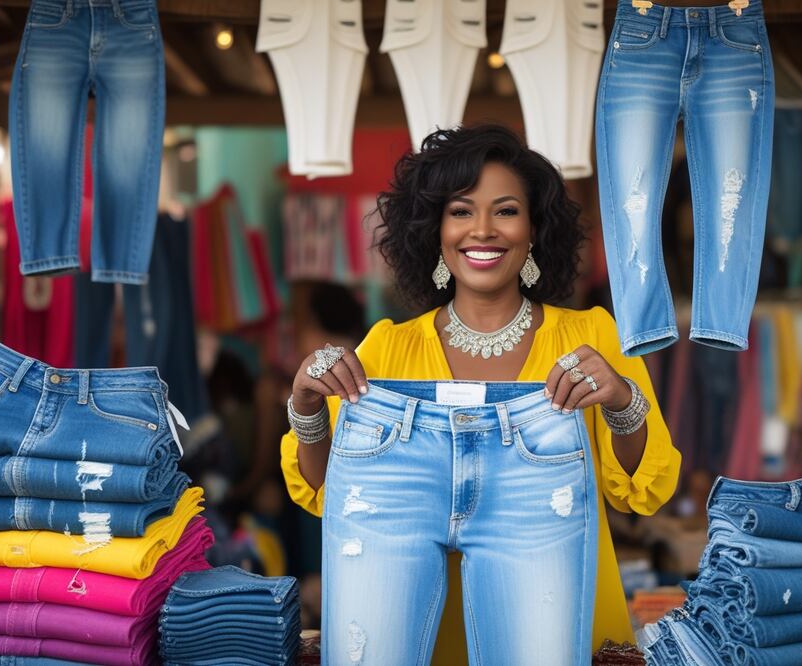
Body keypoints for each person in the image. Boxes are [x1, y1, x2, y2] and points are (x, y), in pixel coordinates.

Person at [280, 125, 681, 663]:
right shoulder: (387, 350)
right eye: (462, 211)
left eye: (507, 210)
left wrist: (622, 404)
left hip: (555, 618)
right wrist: (306, 409)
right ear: (435, 230)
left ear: (535, 228)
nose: (484, 230)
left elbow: (639, 493)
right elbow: (337, 496)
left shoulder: (592, 338)